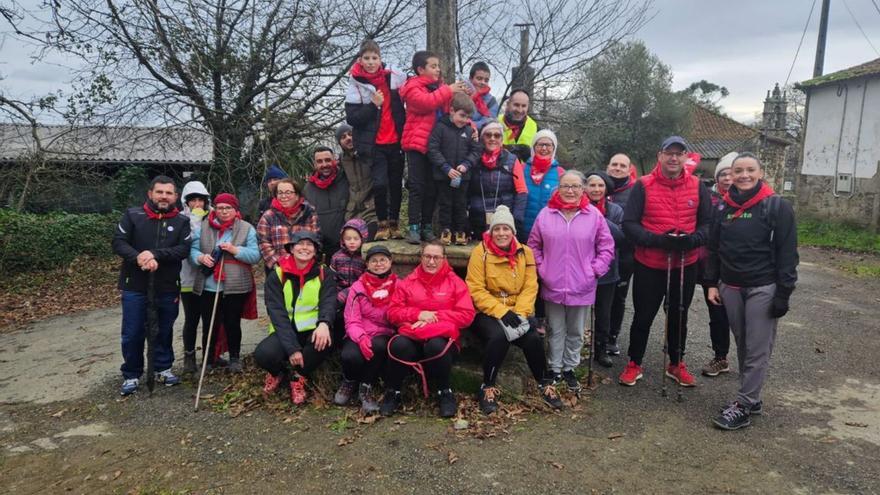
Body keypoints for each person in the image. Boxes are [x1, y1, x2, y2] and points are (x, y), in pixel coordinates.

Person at [704, 152, 798, 430]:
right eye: (738, 171)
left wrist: (783, 294)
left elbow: (788, 253)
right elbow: (713, 249)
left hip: (763, 287)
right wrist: (711, 283)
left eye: (750, 170)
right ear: (730, 175)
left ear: (760, 173)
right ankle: (752, 398)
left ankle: (744, 405)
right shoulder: (723, 207)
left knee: (757, 348)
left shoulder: (776, 207)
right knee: (743, 343)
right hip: (730, 287)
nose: (744, 175)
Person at [618, 136, 712, 388]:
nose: (673, 158)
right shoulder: (643, 185)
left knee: (678, 315)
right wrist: (657, 240)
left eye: (678, 153)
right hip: (650, 263)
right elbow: (629, 224)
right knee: (643, 315)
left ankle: (676, 362)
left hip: (685, 263)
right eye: (668, 153)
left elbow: (707, 224)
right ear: (660, 156)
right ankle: (634, 362)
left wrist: (692, 240)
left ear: (685, 157)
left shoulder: (697, 185)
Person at [466, 206, 563, 414]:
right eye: (497, 229)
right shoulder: (480, 252)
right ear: (491, 232)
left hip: (516, 309)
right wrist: (500, 311)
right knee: (498, 336)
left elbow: (530, 286)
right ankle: (488, 386)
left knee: (532, 339)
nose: (501, 233)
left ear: (513, 232)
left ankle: (544, 383)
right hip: (486, 310)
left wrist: (520, 312)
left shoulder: (525, 252)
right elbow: (475, 289)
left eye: (505, 229)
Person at [528, 171, 614, 391]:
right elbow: (534, 245)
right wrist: (542, 268)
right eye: (566, 186)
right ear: (558, 188)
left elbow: (606, 247)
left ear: (582, 189)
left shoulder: (593, 216)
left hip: (582, 284)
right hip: (552, 282)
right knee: (555, 329)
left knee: (576, 330)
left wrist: (594, 271)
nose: (570, 191)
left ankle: (569, 368)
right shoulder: (546, 215)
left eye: (575, 186)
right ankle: (555, 369)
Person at [112, 175, 191, 396]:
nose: (164, 197)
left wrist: (155, 254)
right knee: (133, 332)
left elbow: (182, 250)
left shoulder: (182, 222)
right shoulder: (132, 216)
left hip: (167, 285)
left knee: (163, 329)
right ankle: (131, 374)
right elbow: (118, 242)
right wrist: (139, 258)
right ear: (150, 194)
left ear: (175, 196)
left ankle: (162, 367)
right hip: (135, 285)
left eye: (169, 193)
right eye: (160, 192)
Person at [383, 241, 475, 418]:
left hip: (442, 339)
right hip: (413, 336)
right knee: (398, 345)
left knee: (435, 346)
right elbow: (393, 313)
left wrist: (434, 317)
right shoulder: (408, 282)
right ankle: (393, 392)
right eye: (427, 256)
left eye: (436, 257)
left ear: (444, 259)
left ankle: (444, 392)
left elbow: (467, 315)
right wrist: (418, 314)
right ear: (421, 258)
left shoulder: (455, 282)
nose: (431, 261)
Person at [255, 231, 338, 405]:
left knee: (325, 341)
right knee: (264, 355)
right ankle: (277, 372)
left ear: (315, 251)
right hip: (285, 330)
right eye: (300, 244)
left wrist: (324, 323)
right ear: (291, 248)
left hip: (312, 328)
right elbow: (277, 313)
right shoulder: (277, 275)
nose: (305, 248)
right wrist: (292, 348)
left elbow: (329, 302)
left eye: (310, 245)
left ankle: (299, 377)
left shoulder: (324, 273)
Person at [399, 50, 468, 244]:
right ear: (421, 69)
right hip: (417, 145)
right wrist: (448, 90)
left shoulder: (441, 88)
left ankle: (427, 227)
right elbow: (426, 103)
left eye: (438, 66)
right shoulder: (412, 87)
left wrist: (469, 124)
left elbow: (452, 113)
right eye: (433, 66)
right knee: (417, 187)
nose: (438, 69)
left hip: (437, 147)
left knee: (432, 189)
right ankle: (413, 227)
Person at [190, 193, 261, 373]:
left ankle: (235, 359)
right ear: (215, 208)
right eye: (220, 207)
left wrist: (235, 250)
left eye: (228, 208)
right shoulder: (204, 227)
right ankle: (209, 359)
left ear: (235, 210)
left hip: (235, 285)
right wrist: (199, 257)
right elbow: (193, 250)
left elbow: (255, 255)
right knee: (209, 323)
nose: (224, 211)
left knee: (232, 322)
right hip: (208, 285)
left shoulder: (246, 228)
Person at [344, 39, 406, 241]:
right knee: (380, 184)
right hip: (375, 144)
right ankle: (382, 223)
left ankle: (395, 224)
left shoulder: (394, 77)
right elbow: (352, 118)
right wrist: (373, 105)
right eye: (367, 58)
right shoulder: (355, 83)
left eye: (374, 58)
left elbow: (415, 87)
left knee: (396, 184)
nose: (371, 62)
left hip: (396, 140)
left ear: (380, 59)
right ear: (360, 60)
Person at [334, 245, 399, 414]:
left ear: (390, 262)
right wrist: (361, 337)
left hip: (384, 333)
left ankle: (366, 386)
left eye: (383, 260)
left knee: (377, 346)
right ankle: (349, 381)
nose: (379, 264)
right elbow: (352, 319)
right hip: (359, 331)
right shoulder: (358, 287)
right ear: (367, 264)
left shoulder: (398, 285)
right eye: (374, 261)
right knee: (350, 355)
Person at [427, 92, 482, 245]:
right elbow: (433, 149)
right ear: (451, 111)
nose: (464, 120)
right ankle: (445, 230)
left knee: (460, 204)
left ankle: (460, 231)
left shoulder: (470, 131)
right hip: (444, 176)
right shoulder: (440, 128)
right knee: (445, 203)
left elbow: (476, 151)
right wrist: (445, 168)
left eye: (467, 117)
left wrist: (466, 164)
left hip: (462, 178)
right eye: (461, 115)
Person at [700, 152, 737, 378]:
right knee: (718, 314)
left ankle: (750, 360)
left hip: (739, 269)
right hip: (711, 267)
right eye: (723, 173)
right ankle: (720, 357)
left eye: (731, 173)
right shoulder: (710, 201)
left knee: (743, 318)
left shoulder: (750, 203)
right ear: (717, 179)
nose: (727, 178)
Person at [585, 171, 624, 368]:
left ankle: (601, 349)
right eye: (592, 185)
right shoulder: (576, 208)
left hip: (608, 270)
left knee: (604, 313)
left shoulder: (615, 210)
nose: (596, 189)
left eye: (600, 186)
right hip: (582, 268)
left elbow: (619, 237)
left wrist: (596, 217)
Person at [467, 121, 527, 237]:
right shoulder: (472, 159)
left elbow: (521, 191)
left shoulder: (512, 160)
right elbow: (465, 190)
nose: (492, 138)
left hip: (504, 223)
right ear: (482, 138)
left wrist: (516, 219)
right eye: (488, 135)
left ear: (502, 139)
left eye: (497, 135)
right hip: (476, 219)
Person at [606, 153, 638, 356]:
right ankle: (597, 334)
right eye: (614, 164)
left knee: (618, 297)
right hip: (598, 253)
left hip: (625, 253)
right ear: (608, 167)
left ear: (629, 169)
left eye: (622, 165)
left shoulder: (636, 191)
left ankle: (612, 336)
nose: (617, 168)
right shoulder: (598, 185)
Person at [179, 180, 210, 374]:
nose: (197, 204)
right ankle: (189, 355)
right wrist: (194, 221)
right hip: (188, 277)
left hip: (210, 277)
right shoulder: (180, 219)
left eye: (201, 200)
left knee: (210, 318)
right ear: (186, 202)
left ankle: (209, 355)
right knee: (192, 318)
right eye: (193, 200)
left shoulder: (214, 216)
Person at [257, 178, 319, 273]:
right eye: (280, 193)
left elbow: (316, 239)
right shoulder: (268, 216)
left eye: (288, 192)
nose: (284, 196)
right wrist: (278, 264)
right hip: (278, 269)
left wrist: (306, 261)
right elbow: (263, 242)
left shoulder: (309, 214)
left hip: (306, 267)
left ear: (297, 196)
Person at [304, 146, 350, 258]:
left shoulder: (347, 180)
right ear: (314, 164)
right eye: (319, 161)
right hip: (322, 250)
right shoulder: (308, 189)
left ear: (334, 160)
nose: (324, 164)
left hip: (348, 247)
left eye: (328, 160)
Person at [335, 123, 378, 239]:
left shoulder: (370, 153)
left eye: (350, 134)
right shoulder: (342, 161)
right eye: (343, 137)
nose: (348, 138)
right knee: (350, 241)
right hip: (353, 210)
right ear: (340, 143)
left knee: (370, 238)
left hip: (372, 207)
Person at [329, 218, 368, 343]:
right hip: (339, 294)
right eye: (348, 239)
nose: (352, 242)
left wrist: (344, 295)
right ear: (342, 239)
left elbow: (364, 282)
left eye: (356, 239)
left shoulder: (365, 258)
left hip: (358, 296)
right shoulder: (337, 257)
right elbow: (332, 279)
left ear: (363, 238)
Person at [522, 129, 564, 241]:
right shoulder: (522, 169)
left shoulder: (560, 173)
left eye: (548, 145)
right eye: (540, 144)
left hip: (550, 231)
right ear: (534, 147)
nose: (544, 148)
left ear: (554, 148)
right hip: (523, 229)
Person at [499, 89, 538, 162]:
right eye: (516, 105)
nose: (520, 110)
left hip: (525, 172)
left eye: (524, 106)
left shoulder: (536, 127)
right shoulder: (495, 122)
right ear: (507, 104)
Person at [466, 61, 499, 130]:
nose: (483, 82)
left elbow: (488, 122)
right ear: (470, 78)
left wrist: (468, 123)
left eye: (486, 80)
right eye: (479, 78)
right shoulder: (460, 95)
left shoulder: (491, 101)